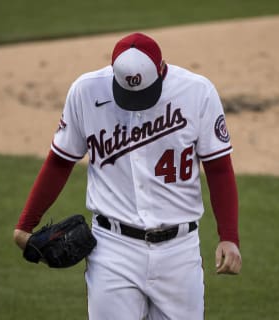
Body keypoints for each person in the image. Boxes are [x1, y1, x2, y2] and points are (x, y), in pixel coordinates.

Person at [14, 32, 241, 319]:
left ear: (162, 69)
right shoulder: (86, 91)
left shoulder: (198, 93)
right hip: (113, 249)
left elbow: (219, 168)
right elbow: (60, 161)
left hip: (179, 253)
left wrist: (229, 236)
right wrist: (25, 224)